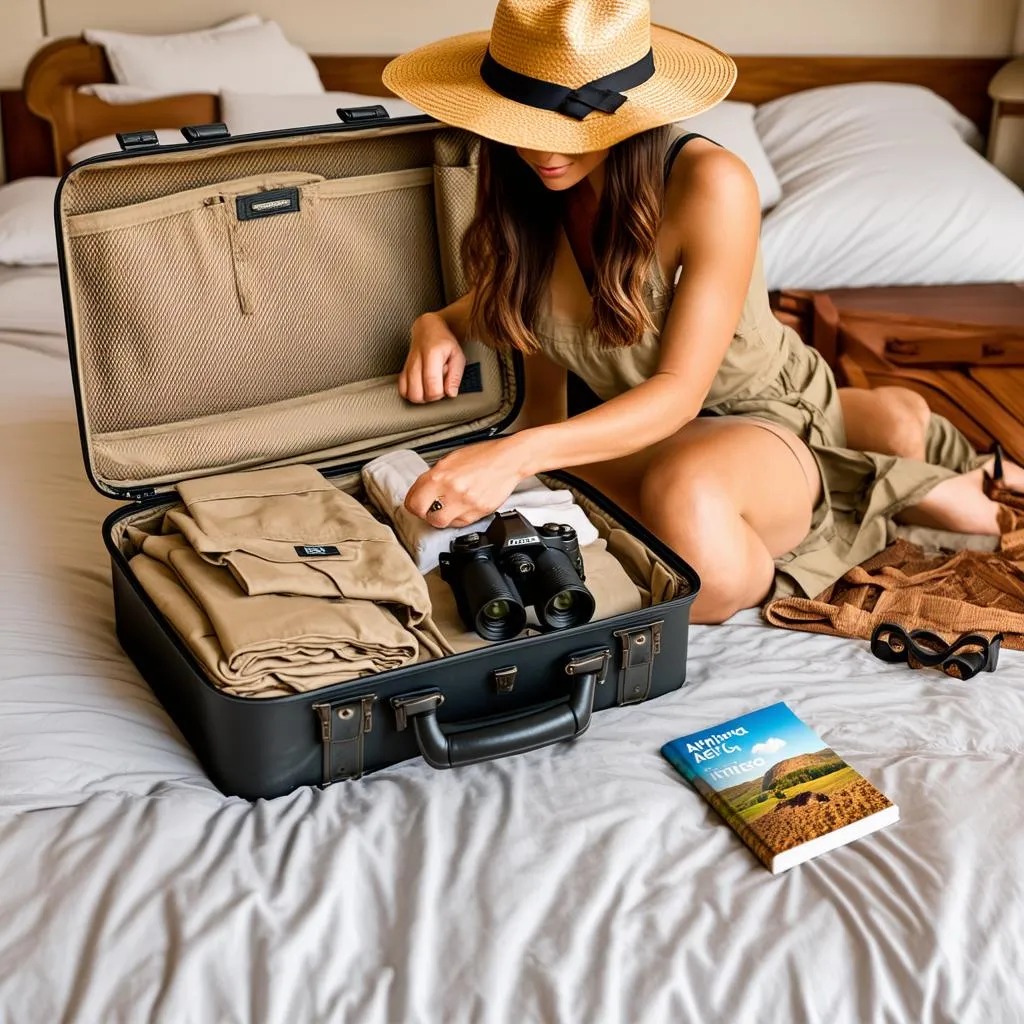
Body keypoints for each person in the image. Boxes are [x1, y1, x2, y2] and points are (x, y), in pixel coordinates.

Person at [381, 0, 1024, 624]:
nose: (546, 150)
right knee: (601, 486)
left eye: (571, 126)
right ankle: (889, 440)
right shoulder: (524, 192)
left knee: (693, 536)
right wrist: (436, 323)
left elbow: (679, 392)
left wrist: (515, 455)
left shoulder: (712, 182)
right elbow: (530, 338)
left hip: (761, 412)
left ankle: (892, 477)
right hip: (647, 430)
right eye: (525, 124)